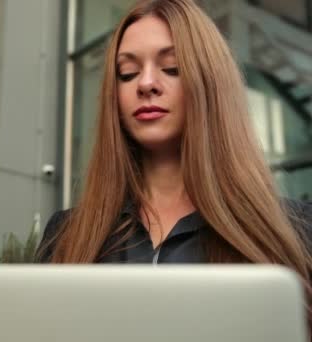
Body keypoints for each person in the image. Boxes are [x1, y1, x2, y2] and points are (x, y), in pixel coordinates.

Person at [36, 0, 312, 327]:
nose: (146, 83)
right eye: (127, 73)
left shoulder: (297, 230)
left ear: (210, 85)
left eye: (172, 68)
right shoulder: (68, 235)